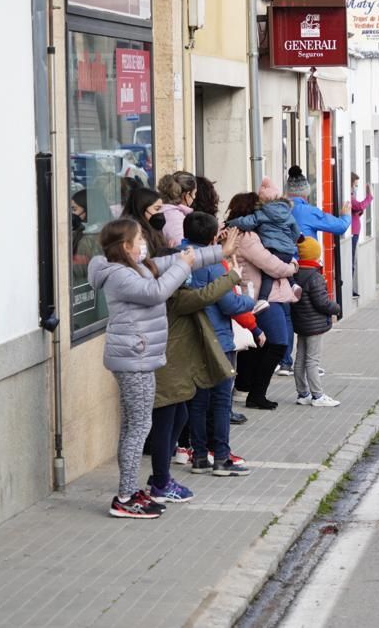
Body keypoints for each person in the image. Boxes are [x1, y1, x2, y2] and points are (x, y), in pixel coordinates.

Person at [87, 217, 224, 519]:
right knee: (139, 428)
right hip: (134, 359)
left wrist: (220, 252)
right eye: (139, 240)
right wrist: (184, 266)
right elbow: (157, 292)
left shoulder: (135, 268)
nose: (144, 245)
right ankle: (125, 496)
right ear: (125, 246)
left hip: (140, 356)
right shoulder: (120, 275)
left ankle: (129, 490)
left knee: (133, 427)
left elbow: (176, 259)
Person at [149, 228, 243, 503]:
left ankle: (162, 477)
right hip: (169, 371)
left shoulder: (172, 294)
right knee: (166, 425)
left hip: (175, 370)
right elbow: (205, 295)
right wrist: (232, 276)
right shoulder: (175, 298)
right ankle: (160, 480)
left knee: (179, 418)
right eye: (183, 267)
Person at [182, 212, 255, 477]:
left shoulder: (179, 256)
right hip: (219, 339)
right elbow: (229, 303)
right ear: (214, 236)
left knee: (199, 400)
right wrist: (250, 303)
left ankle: (199, 456)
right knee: (222, 401)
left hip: (191, 338)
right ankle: (222, 458)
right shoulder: (214, 264)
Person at [225, 192, 299, 411]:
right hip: (257, 296)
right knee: (278, 343)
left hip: (253, 294)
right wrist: (292, 267)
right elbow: (270, 264)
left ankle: (246, 388)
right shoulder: (246, 237)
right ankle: (255, 393)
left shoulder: (237, 232)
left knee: (258, 344)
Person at [279, 166, 350, 375]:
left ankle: (285, 361)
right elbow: (339, 227)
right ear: (305, 192)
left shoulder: (280, 209)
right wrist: (346, 216)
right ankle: (309, 363)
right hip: (305, 268)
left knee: (287, 314)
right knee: (309, 315)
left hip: (281, 266)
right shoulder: (308, 211)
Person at [225, 176, 303, 300]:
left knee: (269, 274)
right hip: (286, 255)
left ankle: (263, 298)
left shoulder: (257, 220)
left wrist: (230, 223)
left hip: (261, 292)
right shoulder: (287, 214)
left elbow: (271, 265)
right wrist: (290, 247)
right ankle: (292, 285)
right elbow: (296, 232)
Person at [290, 237, 342, 407]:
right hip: (314, 324)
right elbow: (322, 302)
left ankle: (302, 393)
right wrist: (336, 308)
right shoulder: (315, 276)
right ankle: (318, 396)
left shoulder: (295, 273)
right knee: (312, 361)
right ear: (314, 255)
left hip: (300, 322)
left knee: (300, 359)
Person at [121, 187, 169, 258]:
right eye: (157, 209)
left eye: (161, 209)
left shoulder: (151, 227)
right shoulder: (133, 232)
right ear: (142, 208)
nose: (160, 213)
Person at [157, 171, 199, 248]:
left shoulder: (166, 210)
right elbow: (182, 248)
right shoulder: (175, 218)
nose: (195, 197)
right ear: (186, 195)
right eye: (194, 194)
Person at [350, 172, 373, 297]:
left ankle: (350, 287)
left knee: (352, 261)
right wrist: (370, 196)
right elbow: (359, 205)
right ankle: (349, 288)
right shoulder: (348, 196)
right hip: (352, 232)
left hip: (355, 231)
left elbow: (357, 209)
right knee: (351, 262)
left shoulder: (351, 196)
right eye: (355, 184)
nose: (356, 187)